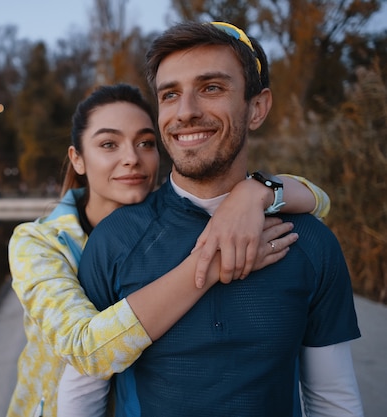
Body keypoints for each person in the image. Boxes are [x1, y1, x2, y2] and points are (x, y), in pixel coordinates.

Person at [77, 22, 363, 417]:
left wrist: (257, 192)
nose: (187, 112)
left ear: (257, 108)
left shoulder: (310, 243)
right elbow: (82, 394)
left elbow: (332, 399)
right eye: (170, 94)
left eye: (211, 88)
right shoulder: (115, 239)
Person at [7, 83, 331, 416]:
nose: (132, 159)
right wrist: (210, 266)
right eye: (109, 144)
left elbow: (320, 200)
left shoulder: (170, 222)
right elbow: (86, 350)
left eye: (145, 143)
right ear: (77, 159)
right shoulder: (38, 243)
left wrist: (255, 192)